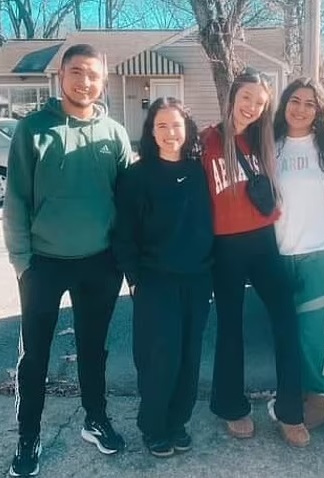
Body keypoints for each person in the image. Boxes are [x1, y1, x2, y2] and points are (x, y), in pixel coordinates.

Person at [3, 44, 133, 477]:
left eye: (93, 74)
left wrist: (122, 259)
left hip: (99, 263)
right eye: (76, 72)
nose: (85, 82)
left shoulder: (114, 134)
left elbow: (127, 201)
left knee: (93, 349)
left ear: (104, 80)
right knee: (35, 356)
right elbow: (16, 198)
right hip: (43, 263)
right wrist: (21, 260)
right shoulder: (33, 129)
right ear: (61, 76)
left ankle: (95, 419)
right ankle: (28, 435)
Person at [200, 68, 310, 448]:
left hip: (263, 243)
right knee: (230, 328)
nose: (251, 106)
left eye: (260, 102)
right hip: (225, 248)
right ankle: (231, 406)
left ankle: (290, 410)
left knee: (286, 320)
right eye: (246, 97)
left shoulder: (264, 142)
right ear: (233, 96)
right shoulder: (207, 141)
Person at [112, 97, 214, 458]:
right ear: (151, 131)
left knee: (189, 357)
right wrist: (134, 279)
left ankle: (177, 422)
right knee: (160, 358)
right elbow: (124, 234)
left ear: (187, 130)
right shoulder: (137, 176)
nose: (170, 133)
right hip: (156, 281)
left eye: (176, 125)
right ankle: (153, 427)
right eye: (162, 125)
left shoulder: (200, 172)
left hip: (197, 280)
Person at [271, 77, 324, 430]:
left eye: (310, 103)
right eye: (295, 101)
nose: (301, 109)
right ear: (284, 104)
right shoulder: (270, 146)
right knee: (289, 331)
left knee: (317, 331)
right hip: (281, 251)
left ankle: (321, 396)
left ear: (318, 111)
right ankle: (297, 392)